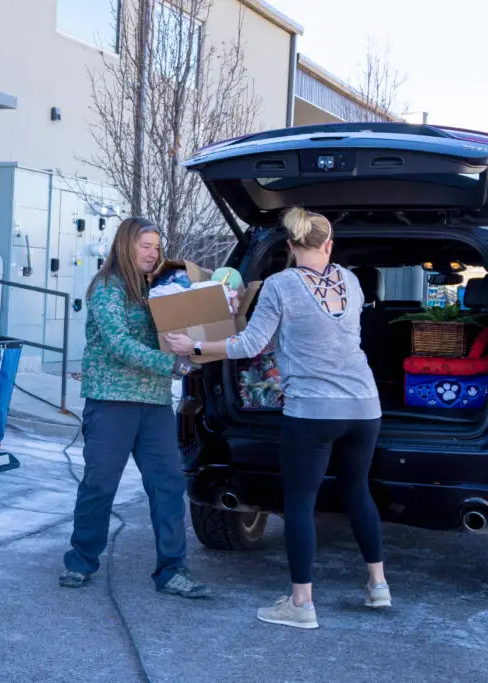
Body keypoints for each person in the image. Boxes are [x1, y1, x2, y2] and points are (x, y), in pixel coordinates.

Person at [166, 206, 389, 628]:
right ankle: (378, 585)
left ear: (289, 247)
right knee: (358, 491)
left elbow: (250, 344)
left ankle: (301, 605)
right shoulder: (353, 281)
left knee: (300, 503)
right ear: (329, 245)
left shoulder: (281, 285)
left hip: (313, 410)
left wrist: (193, 349)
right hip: (364, 405)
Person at [59, 216, 210, 599]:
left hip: (154, 402)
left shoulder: (157, 289)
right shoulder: (107, 289)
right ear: (126, 245)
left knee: (168, 484)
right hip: (112, 401)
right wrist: (171, 364)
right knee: (100, 484)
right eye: (146, 245)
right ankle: (80, 560)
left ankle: (172, 570)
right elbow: (117, 343)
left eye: (157, 247)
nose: (153, 253)